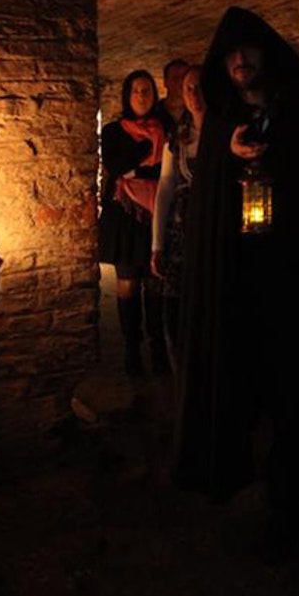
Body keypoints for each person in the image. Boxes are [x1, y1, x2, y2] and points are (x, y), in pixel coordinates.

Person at [172, 7, 299, 558]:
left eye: (249, 50)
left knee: (297, 390)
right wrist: (231, 159)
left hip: (298, 279)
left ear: (267, 51)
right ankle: (248, 477)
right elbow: (211, 191)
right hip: (241, 286)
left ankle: (289, 502)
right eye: (231, 53)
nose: (240, 61)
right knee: (245, 387)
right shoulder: (222, 121)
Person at [99, 70, 169, 376]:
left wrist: (135, 171)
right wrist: (143, 152)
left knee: (154, 283)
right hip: (126, 217)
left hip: (155, 212)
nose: (142, 96)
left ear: (154, 96)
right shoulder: (114, 130)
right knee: (128, 284)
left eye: (147, 91)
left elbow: (165, 173)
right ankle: (131, 349)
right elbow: (115, 167)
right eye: (137, 91)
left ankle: (157, 347)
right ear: (128, 96)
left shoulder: (164, 128)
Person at [150, 65, 205, 364]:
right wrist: (157, 244)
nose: (195, 95)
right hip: (180, 234)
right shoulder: (178, 136)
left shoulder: (227, 133)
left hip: (212, 230)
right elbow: (166, 185)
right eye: (189, 89)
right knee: (176, 310)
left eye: (200, 88)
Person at [159, 57, 190, 127]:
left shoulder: (196, 110)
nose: (180, 82)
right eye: (175, 78)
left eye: (184, 78)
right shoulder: (154, 112)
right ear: (165, 82)